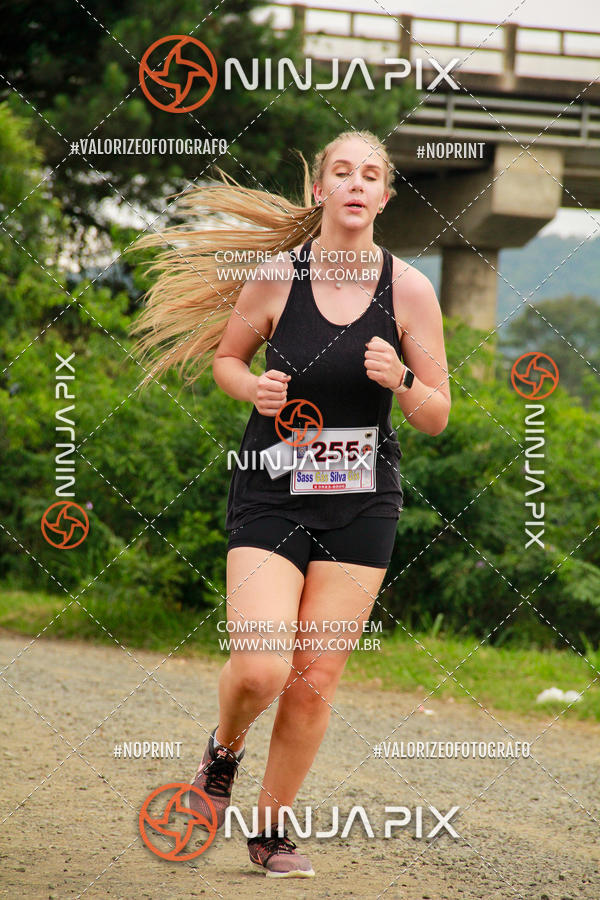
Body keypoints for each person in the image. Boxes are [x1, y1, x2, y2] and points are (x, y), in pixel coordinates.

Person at [128, 129, 450, 877]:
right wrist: (255, 388)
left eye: (372, 174)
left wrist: (402, 379)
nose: (356, 183)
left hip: (364, 500)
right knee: (262, 670)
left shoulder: (408, 290)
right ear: (322, 190)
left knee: (314, 682)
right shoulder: (275, 276)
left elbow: (436, 413)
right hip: (273, 488)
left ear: (385, 195)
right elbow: (226, 361)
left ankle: (270, 832)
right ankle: (223, 752)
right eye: (342, 171)